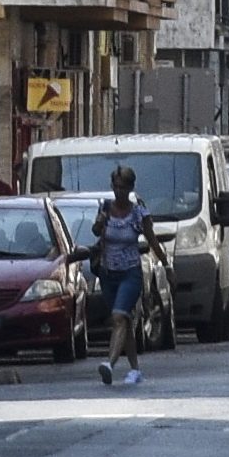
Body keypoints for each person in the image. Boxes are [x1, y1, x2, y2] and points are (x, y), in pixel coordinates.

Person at [87, 166, 156, 388]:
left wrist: (167, 265)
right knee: (124, 320)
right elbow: (96, 232)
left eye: (123, 187)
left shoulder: (139, 214)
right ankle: (135, 369)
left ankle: (110, 364)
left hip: (130, 273)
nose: (118, 192)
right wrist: (100, 220)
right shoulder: (105, 208)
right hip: (108, 274)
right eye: (115, 187)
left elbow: (152, 240)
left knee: (118, 316)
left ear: (130, 188)